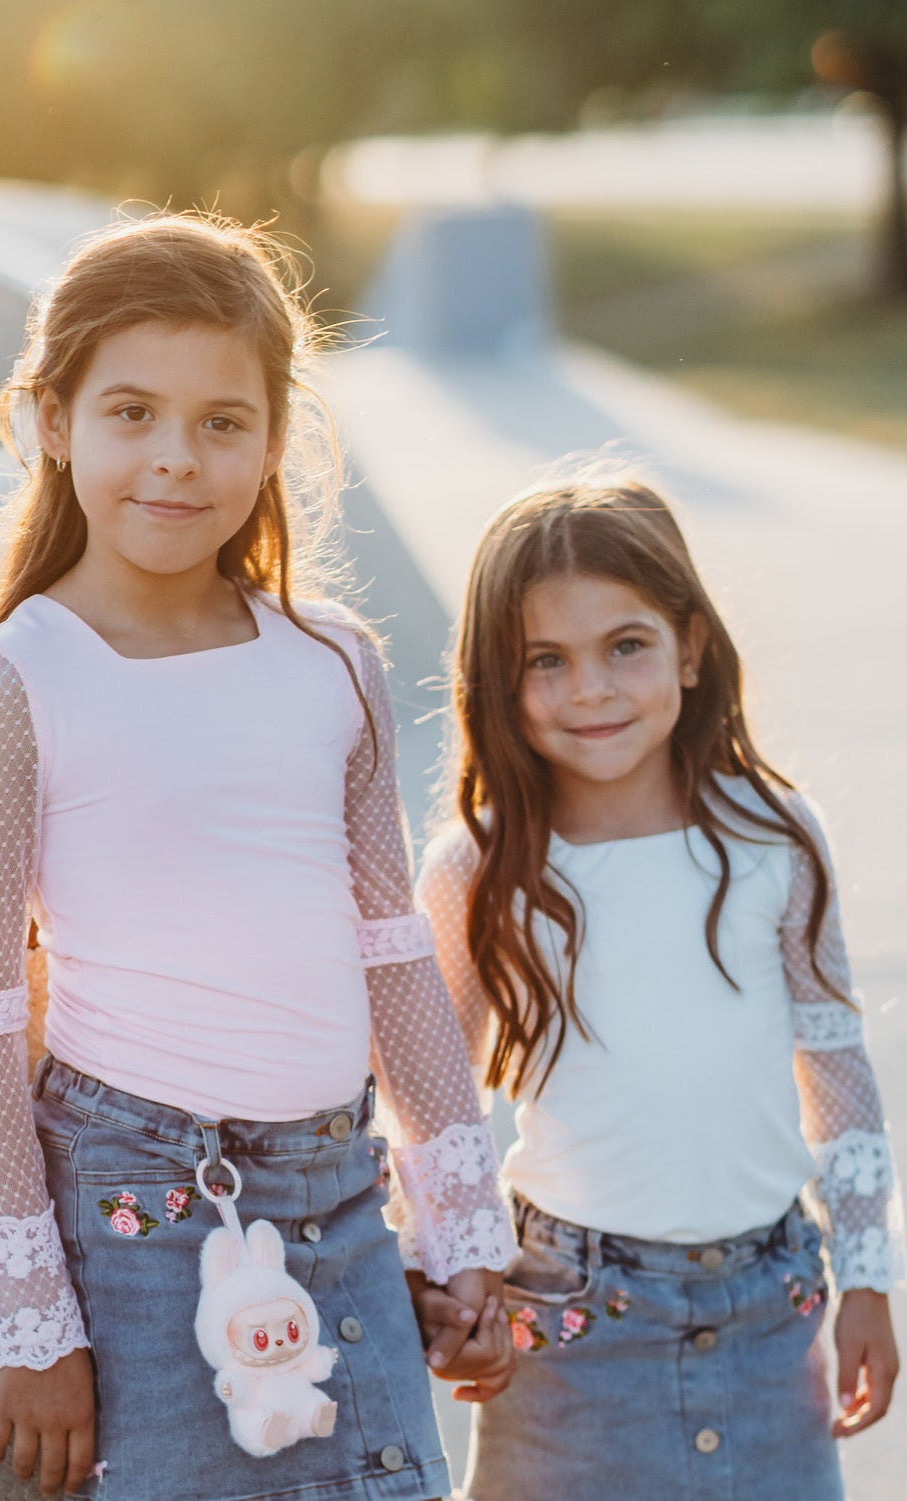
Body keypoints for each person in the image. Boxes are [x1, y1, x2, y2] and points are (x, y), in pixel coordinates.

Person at [0, 212, 516, 1501]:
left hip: (342, 1200)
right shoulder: (8, 681)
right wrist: (31, 1324)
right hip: (139, 1218)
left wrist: (461, 1227)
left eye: (222, 421)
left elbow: (390, 952)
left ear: (275, 436)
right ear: (53, 419)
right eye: (131, 412)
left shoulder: (333, 661)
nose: (175, 458)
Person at [416, 472, 904, 1501]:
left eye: (624, 646)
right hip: (565, 1324)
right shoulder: (479, 866)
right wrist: (450, 1271)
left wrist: (866, 1276)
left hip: (769, 1313)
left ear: (688, 646)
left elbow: (834, 1064)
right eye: (545, 660)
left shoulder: (774, 835)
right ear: (497, 681)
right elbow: (434, 1104)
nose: (589, 689)